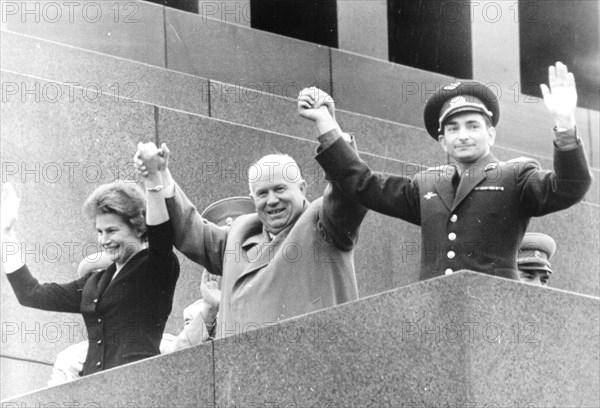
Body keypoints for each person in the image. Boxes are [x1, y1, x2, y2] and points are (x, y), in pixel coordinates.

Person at [299, 61, 592, 280]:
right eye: (453, 129)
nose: (463, 135)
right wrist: (327, 124)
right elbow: (363, 185)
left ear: (491, 134)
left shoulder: (516, 175)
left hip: (492, 312)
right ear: (443, 141)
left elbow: (569, 186)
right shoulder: (426, 185)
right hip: (436, 312)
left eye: (473, 126)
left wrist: (565, 124)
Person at [134, 140, 367, 338]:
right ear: (251, 198)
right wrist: (161, 175)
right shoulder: (241, 232)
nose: (272, 200)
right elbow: (191, 231)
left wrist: (332, 134)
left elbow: (347, 196)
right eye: (262, 193)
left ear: (303, 189)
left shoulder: (323, 222)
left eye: (280, 189)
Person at [1, 144, 180, 375]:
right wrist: (6, 233)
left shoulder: (155, 266)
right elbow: (30, 294)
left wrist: (153, 177)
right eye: (99, 231)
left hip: (138, 386)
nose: (104, 240)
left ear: (138, 227)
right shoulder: (94, 282)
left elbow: (161, 234)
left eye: (112, 231)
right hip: (93, 389)